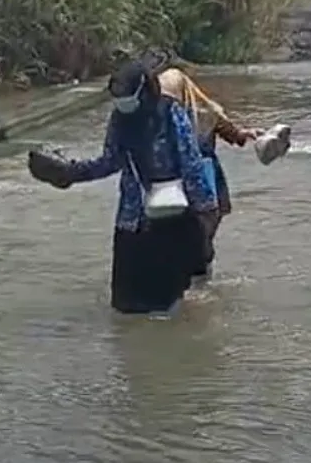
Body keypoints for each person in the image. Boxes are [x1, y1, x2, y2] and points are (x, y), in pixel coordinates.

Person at [28, 61, 219, 315]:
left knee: (170, 305)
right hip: (134, 217)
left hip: (173, 213)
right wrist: (71, 173)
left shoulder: (169, 113)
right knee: (128, 306)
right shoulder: (120, 120)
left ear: (144, 90)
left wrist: (206, 206)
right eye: (117, 98)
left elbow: (190, 162)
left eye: (127, 97)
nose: (122, 103)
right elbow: (111, 161)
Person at [155, 68, 260, 281]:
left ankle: (201, 281)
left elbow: (232, 134)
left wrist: (248, 134)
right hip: (176, 181)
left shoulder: (206, 111)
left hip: (204, 177)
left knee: (201, 235)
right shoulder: (158, 113)